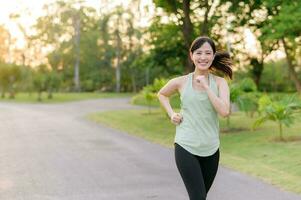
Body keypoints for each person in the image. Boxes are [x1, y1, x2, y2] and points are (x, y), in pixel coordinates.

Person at [157, 36, 232, 200]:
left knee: (200, 197)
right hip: (186, 145)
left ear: (213, 56)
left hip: (211, 149)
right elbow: (162, 94)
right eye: (199, 53)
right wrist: (172, 114)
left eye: (207, 53)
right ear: (191, 55)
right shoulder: (181, 82)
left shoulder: (220, 83)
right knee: (198, 197)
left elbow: (224, 111)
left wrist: (206, 86)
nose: (203, 57)